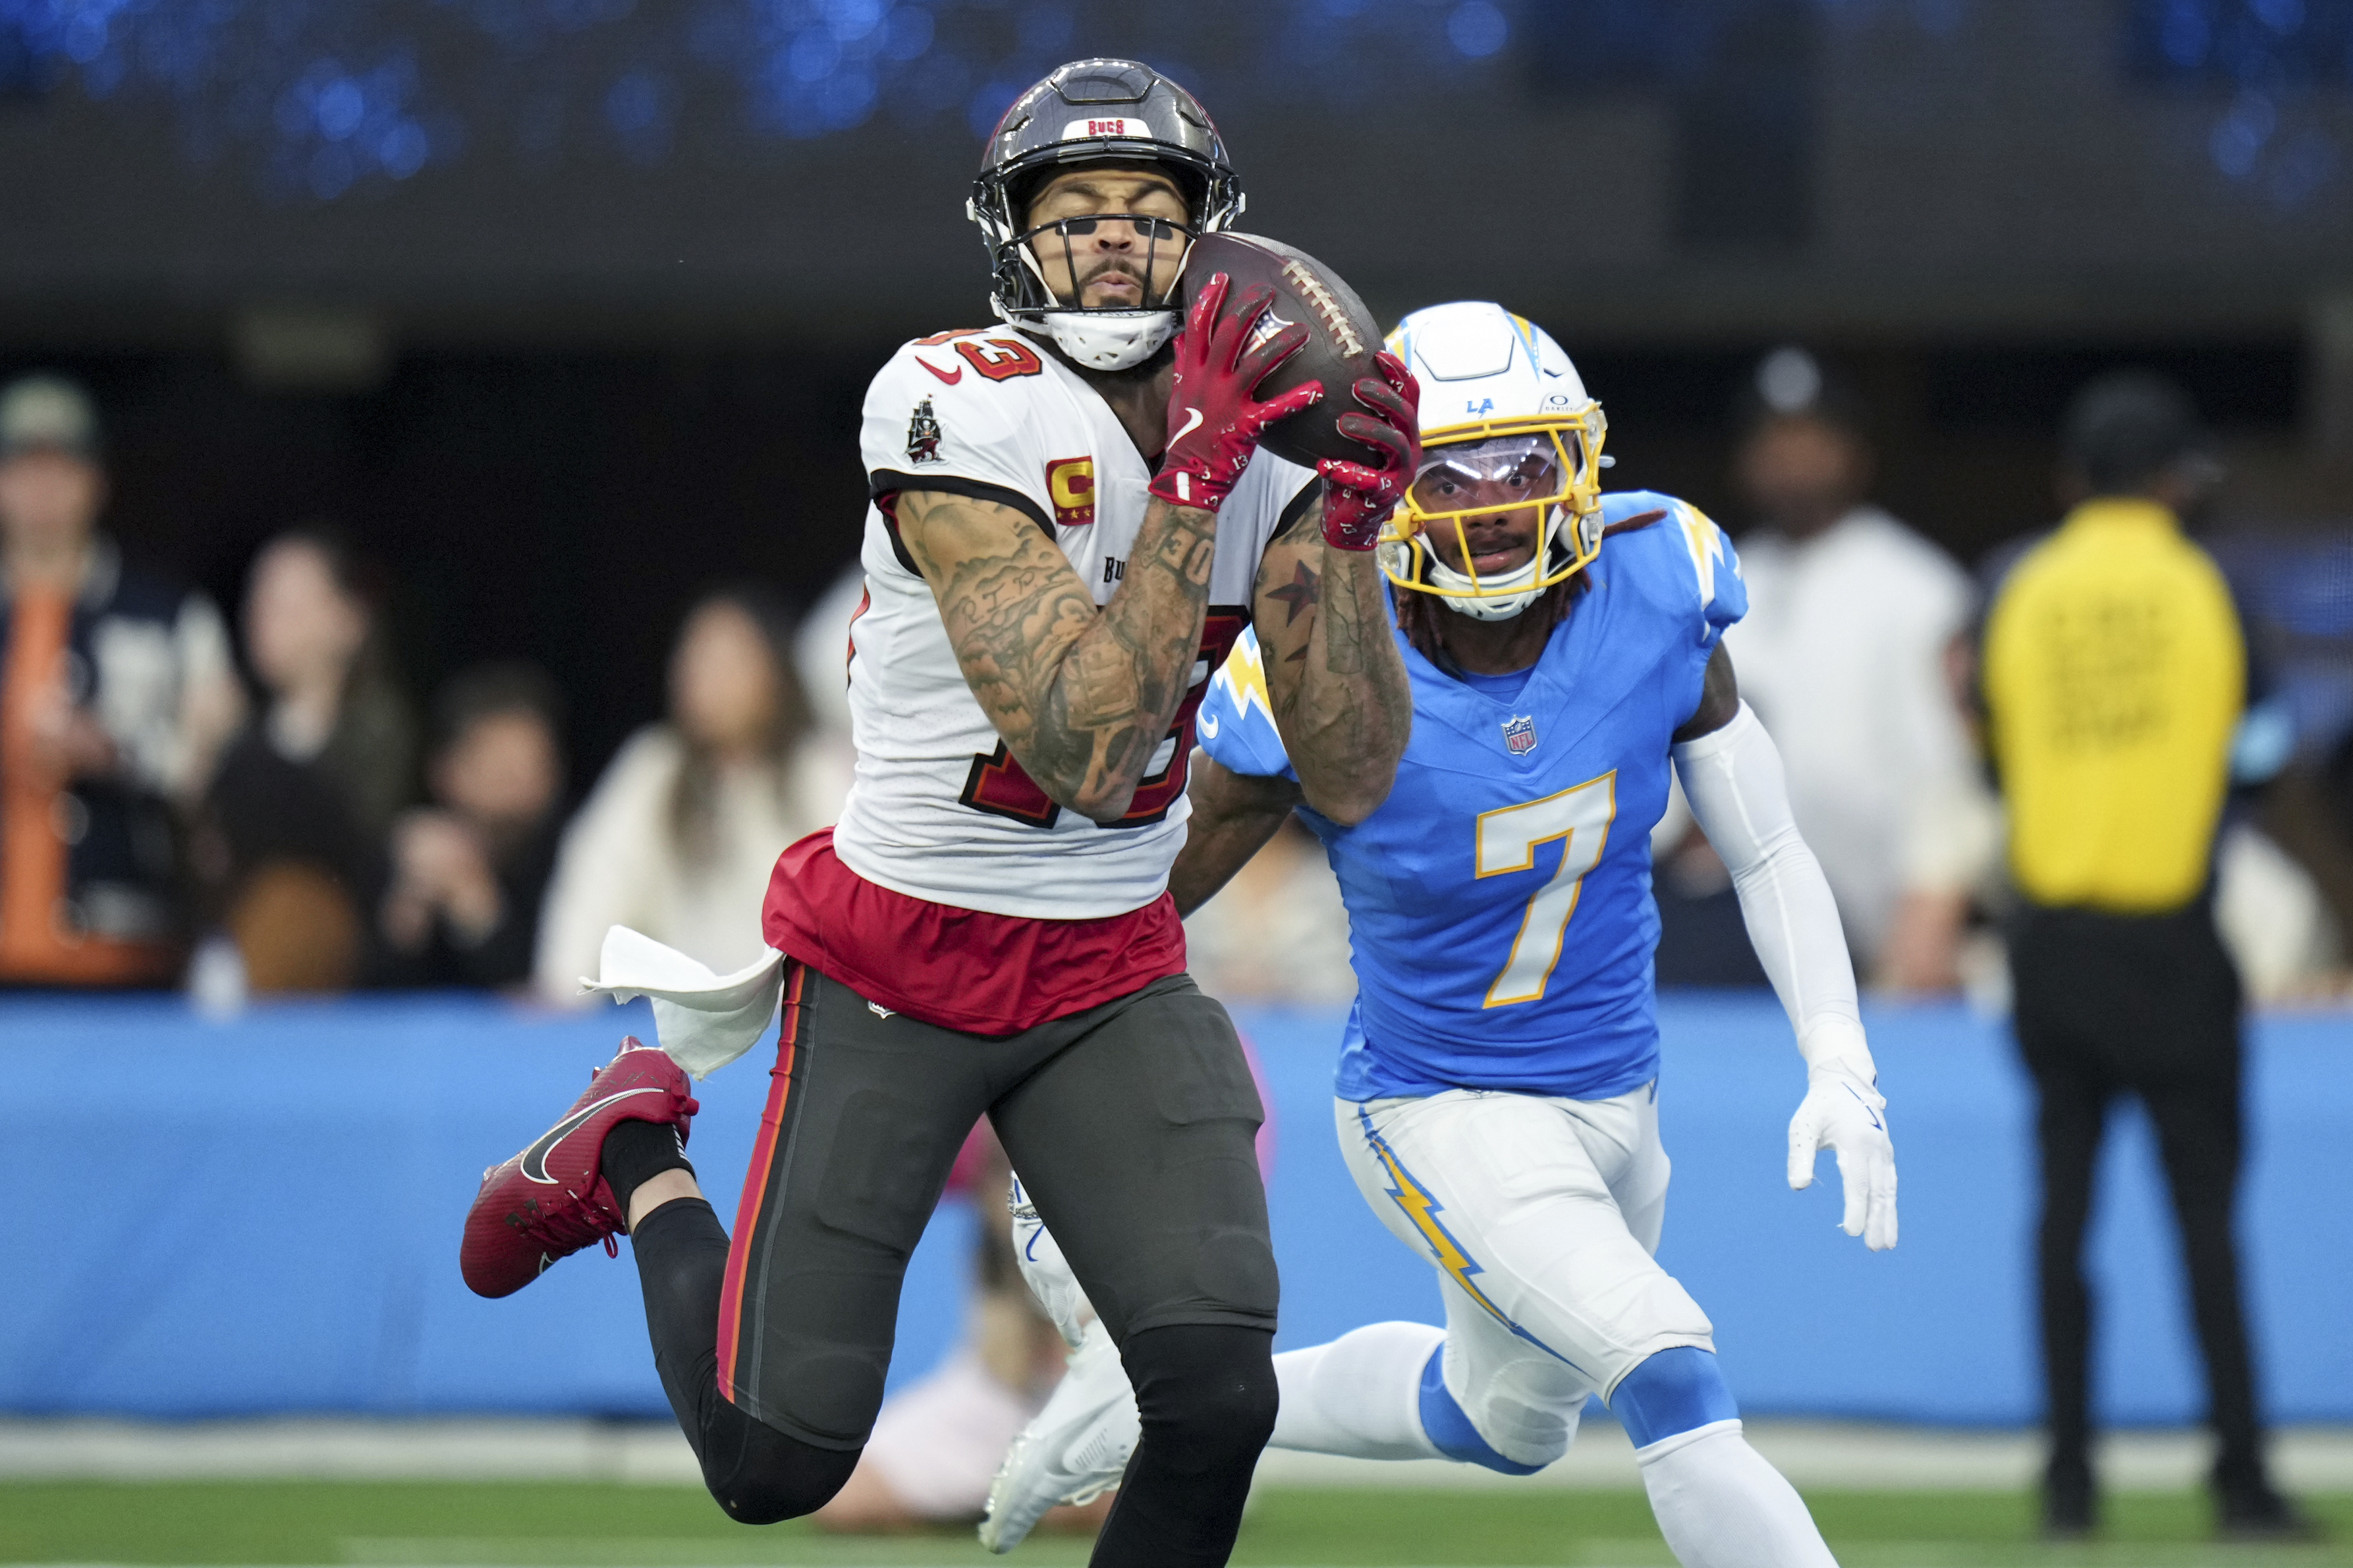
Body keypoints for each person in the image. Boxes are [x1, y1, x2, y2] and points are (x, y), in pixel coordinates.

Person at [458, 59, 1419, 1568]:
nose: (1115, 240)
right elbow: (1090, 745)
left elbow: (1352, 767)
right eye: (1079, 212)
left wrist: (1349, 529)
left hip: (1111, 958)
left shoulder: (1261, 442)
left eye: (1151, 213)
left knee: (1218, 1391)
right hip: (902, 959)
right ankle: (631, 1158)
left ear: (1207, 241)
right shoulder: (948, 399)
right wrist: (1200, 472)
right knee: (776, 1459)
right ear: (1015, 239)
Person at [982, 303, 1896, 1568]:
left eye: (1522, 465)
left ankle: (1158, 1401)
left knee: (1503, 1423)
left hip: (1616, 1093)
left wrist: (1840, 1060)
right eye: (1447, 473)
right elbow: (1128, 896)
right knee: (1668, 1364)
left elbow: (1769, 847)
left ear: (1577, 462)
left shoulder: (1657, 575)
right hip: (1440, 1103)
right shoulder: (1314, 670)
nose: (1492, 505)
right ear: (1386, 490)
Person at [1980, 372, 2311, 1540]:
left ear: (2073, 479)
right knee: (2206, 1225)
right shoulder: (2207, 584)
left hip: (2052, 945)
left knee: (2061, 1219)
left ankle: (2067, 1486)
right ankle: (2241, 1482)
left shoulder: (2016, 587)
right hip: (2173, 944)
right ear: (2175, 481)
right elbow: (2265, 744)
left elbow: (1993, 751)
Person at [1716, 348, 1989, 990]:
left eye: (1809, 437)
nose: (1790, 458)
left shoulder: (1917, 586)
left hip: (1897, 937)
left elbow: (1953, 773)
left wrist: (1931, 905)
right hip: (1750, 934)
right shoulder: (1718, 580)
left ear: (1854, 453)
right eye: (1772, 440)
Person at [0, 373, 241, 985]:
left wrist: (115, 753)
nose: (43, 490)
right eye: (24, 469)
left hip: (128, 952)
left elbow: (223, 770)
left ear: (96, 481)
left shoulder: (168, 615)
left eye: (63, 469)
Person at [532, 587, 844, 996]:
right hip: (685, 1030)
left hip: (800, 1021)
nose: (704, 679)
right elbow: (596, 882)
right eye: (694, 660)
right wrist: (558, 988)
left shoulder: (820, 772)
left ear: (775, 674)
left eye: (727, 663)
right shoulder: (655, 769)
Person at [198, 528, 412, 992]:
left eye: (288, 606)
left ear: (348, 621)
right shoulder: (237, 736)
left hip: (349, 972)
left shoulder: (382, 733)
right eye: (257, 603)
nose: (263, 620)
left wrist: (243, 753)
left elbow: (358, 848)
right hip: (234, 951)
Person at [375, 662, 566, 990]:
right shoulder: (412, 849)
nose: (516, 783)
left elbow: (548, 993)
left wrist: (477, 906)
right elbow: (365, 994)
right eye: (498, 765)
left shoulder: (577, 856)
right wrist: (407, 912)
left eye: (531, 764)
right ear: (445, 771)